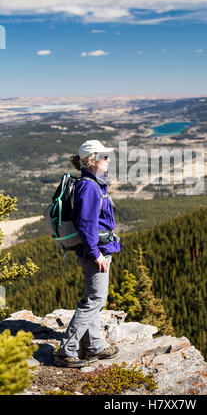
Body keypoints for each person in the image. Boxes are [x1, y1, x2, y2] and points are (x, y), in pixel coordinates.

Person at [54, 139, 123, 368]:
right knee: (94, 300)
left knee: (96, 299)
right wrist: (96, 254)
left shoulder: (92, 182)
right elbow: (85, 224)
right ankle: (67, 350)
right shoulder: (90, 186)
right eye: (104, 157)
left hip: (97, 250)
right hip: (96, 252)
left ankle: (94, 347)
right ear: (92, 161)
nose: (108, 160)